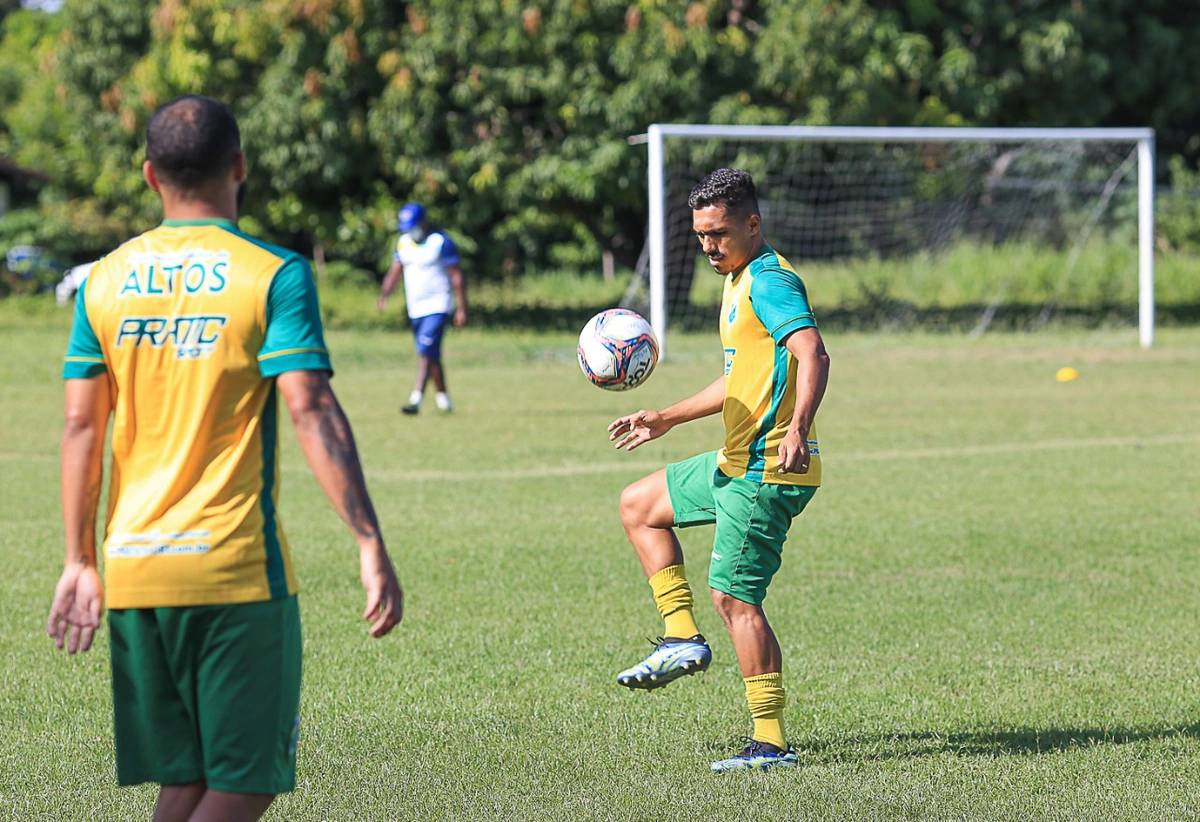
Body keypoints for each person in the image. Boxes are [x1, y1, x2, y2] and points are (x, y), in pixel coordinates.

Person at [47, 95, 403, 822]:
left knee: (186, 780)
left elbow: (80, 428)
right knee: (245, 781)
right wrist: (368, 539)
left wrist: (79, 559)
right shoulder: (273, 273)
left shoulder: (105, 280)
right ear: (240, 167)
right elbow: (309, 407)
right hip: (233, 571)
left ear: (150, 176)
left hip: (135, 570)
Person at [608, 168, 830, 773]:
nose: (709, 245)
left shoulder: (770, 281)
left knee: (734, 598)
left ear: (752, 225)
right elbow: (741, 378)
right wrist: (668, 417)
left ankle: (772, 744)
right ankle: (681, 638)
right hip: (735, 461)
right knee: (639, 506)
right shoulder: (735, 280)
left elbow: (813, 352)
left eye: (720, 233)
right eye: (701, 234)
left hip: (768, 468)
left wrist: (801, 428)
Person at [376, 202, 468, 414]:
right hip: (415, 308)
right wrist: (384, 294)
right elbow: (395, 271)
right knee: (431, 353)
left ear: (424, 222)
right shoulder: (403, 242)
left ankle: (415, 399)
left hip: (438, 304)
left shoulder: (440, 241)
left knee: (425, 350)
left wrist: (462, 307)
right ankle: (443, 400)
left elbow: (457, 276)